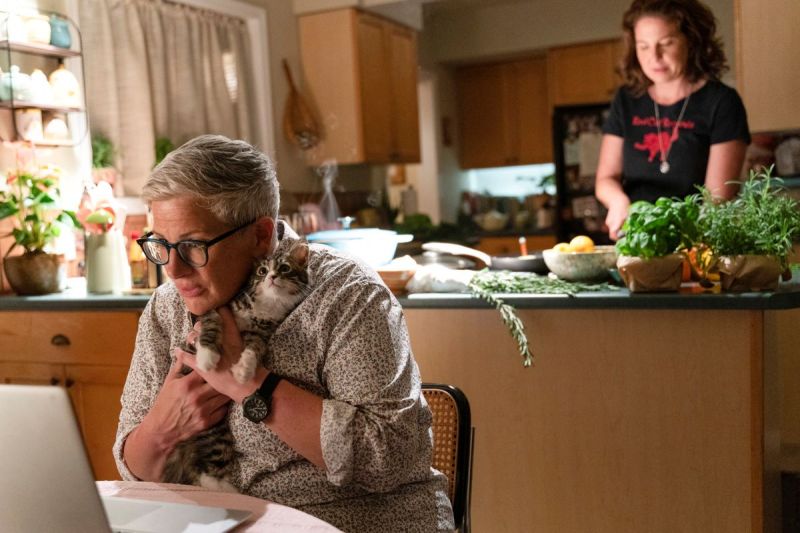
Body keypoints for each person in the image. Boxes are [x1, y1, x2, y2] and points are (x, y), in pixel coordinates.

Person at [113, 135, 454, 532]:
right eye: (161, 245)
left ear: (260, 236)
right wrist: (165, 425)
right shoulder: (166, 307)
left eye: (193, 246)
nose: (172, 269)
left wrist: (253, 387)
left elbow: (389, 458)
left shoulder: (348, 295)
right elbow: (132, 470)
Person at [595, 0, 751, 241]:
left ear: (692, 40)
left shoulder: (722, 102)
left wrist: (671, 235)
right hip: (636, 239)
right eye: (643, 46)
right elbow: (606, 179)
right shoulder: (626, 100)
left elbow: (716, 199)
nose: (653, 57)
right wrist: (618, 201)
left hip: (696, 241)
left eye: (666, 43)